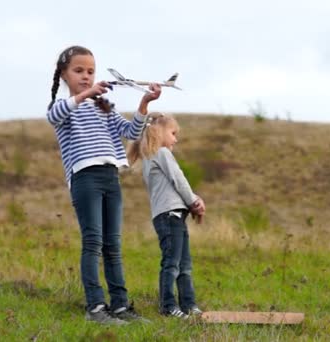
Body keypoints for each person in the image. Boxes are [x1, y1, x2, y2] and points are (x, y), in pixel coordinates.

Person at [46, 45, 162, 324]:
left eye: (90, 71)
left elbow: (131, 132)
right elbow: (53, 116)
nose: (85, 76)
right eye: (78, 71)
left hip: (111, 176)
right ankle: (96, 308)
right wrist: (86, 94)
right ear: (64, 75)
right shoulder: (63, 107)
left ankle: (120, 307)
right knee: (93, 242)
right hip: (85, 178)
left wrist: (144, 104)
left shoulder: (103, 106)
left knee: (113, 244)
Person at [127, 113, 205, 319]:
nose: (176, 139)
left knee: (183, 264)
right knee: (172, 263)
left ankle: (189, 305)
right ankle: (168, 306)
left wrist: (192, 201)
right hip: (170, 216)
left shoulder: (151, 157)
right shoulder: (162, 153)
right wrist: (194, 202)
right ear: (158, 132)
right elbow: (178, 180)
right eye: (173, 133)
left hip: (173, 216)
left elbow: (174, 184)